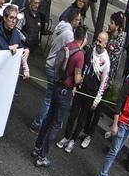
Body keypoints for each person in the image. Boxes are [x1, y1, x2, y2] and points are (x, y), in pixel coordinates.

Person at [33, 24, 88, 168]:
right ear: (84, 38)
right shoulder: (80, 55)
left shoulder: (68, 45)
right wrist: (82, 79)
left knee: (48, 118)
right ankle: (42, 156)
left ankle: (37, 147)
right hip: (66, 91)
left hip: (57, 85)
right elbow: (77, 79)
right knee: (56, 124)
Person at [94, 64, 129, 176]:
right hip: (123, 122)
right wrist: (115, 124)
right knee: (114, 152)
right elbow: (120, 100)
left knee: (116, 150)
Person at [58, 30, 111, 153]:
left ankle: (73, 140)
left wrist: (97, 100)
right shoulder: (90, 51)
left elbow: (103, 84)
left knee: (81, 119)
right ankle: (66, 136)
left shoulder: (106, 62)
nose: (97, 43)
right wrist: (76, 86)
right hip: (81, 89)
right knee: (72, 115)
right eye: (97, 40)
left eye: (100, 41)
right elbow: (81, 69)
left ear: (105, 44)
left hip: (91, 94)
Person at [32, 9, 81, 132]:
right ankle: (38, 124)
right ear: (73, 20)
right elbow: (71, 52)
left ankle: (41, 122)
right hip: (54, 66)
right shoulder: (69, 34)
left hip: (49, 61)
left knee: (49, 96)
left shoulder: (61, 26)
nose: (79, 22)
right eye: (78, 20)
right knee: (50, 98)